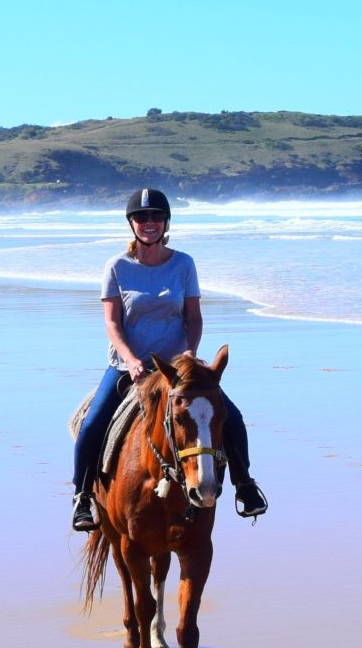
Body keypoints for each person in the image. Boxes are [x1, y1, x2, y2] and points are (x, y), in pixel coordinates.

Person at [69, 187, 267, 531]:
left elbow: (194, 317)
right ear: (131, 224)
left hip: (178, 369)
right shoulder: (116, 266)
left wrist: (190, 352)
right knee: (93, 423)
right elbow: (112, 323)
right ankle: (83, 496)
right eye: (141, 217)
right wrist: (131, 360)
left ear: (166, 222)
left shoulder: (183, 264)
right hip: (129, 367)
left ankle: (245, 485)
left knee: (231, 417)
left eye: (156, 216)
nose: (149, 222)